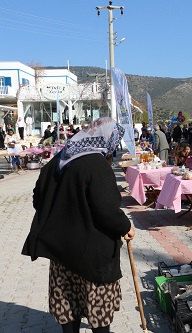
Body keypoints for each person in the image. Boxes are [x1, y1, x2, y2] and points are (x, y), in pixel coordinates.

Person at [21, 117, 135, 333]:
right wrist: (125, 226)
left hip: (61, 252)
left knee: (68, 305)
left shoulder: (59, 160)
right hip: (92, 255)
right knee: (98, 309)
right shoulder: (96, 164)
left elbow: (38, 200)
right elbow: (106, 211)